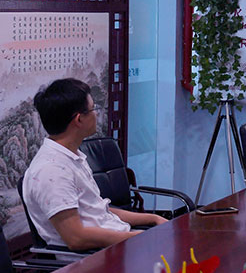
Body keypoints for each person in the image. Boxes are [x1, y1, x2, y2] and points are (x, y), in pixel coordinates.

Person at [22, 79, 166, 251]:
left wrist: (153, 219)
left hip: (117, 243)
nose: (97, 114)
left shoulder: (72, 156)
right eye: (93, 109)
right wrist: (138, 238)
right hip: (95, 258)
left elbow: (99, 212)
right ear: (79, 119)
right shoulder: (51, 171)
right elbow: (76, 239)